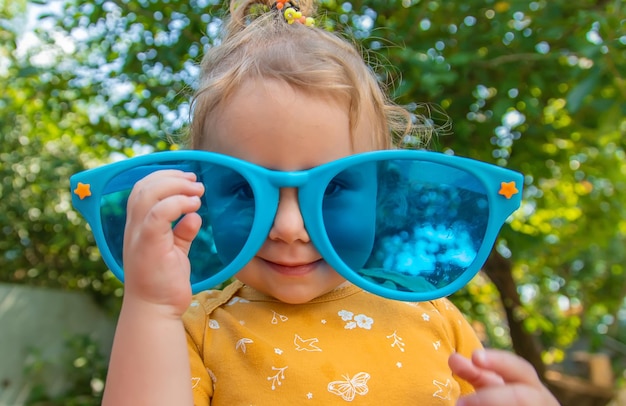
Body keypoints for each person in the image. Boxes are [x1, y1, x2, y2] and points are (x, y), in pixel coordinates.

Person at [72, 0, 559, 404]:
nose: (288, 226)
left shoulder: (434, 316)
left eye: (333, 187)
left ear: (382, 195)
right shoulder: (194, 331)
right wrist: (150, 306)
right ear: (202, 198)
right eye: (244, 188)